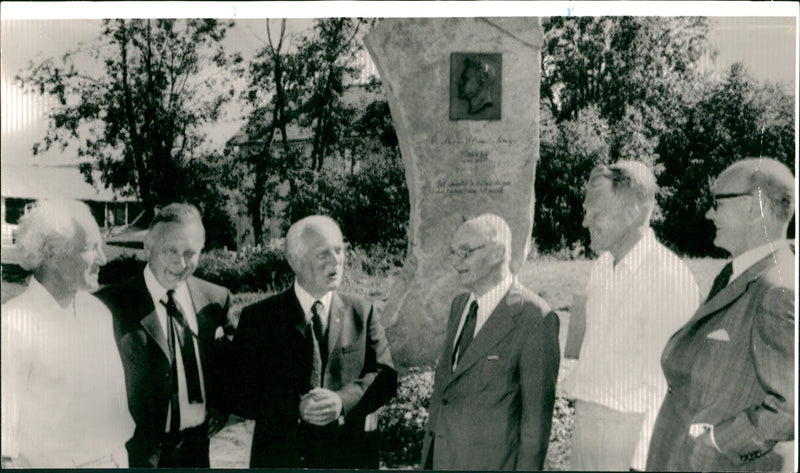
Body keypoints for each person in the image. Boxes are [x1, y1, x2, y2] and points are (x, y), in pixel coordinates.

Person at [647, 158, 795, 472]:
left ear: (755, 208)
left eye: (718, 203)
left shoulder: (777, 289)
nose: (709, 213)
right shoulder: (737, 274)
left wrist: (719, 442)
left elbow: (790, 409)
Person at [229, 215, 396, 468]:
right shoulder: (260, 318)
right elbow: (240, 391)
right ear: (295, 261)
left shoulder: (361, 311)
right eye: (323, 254)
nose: (336, 261)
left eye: (339, 250)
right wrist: (295, 407)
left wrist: (341, 401)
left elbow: (385, 376)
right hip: (282, 459)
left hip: (348, 459)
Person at [563, 161, 700, 471]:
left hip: (630, 438)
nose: (586, 222)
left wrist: (642, 462)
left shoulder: (668, 278)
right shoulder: (600, 269)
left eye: (597, 213)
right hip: (588, 427)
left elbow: (670, 385)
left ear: (634, 212)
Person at [1, 199, 135, 468]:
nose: (103, 259)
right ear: (51, 252)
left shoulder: (99, 314)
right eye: (90, 248)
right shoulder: (13, 325)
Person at [421, 213, 560, 470]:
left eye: (465, 251)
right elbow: (445, 393)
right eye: (453, 253)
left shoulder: (534, 317)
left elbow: (535, 428)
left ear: (497, 253)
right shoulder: (459, 306)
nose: (456, 262)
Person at [96, 203, 232, 468]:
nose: (180, 263)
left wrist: (221, 405)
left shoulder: (215, 300)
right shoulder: (111, 306)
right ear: (148, 248)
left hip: (195, 453)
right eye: (170, 250)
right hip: (136, 454)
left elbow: (228, 362)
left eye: (190, 253)